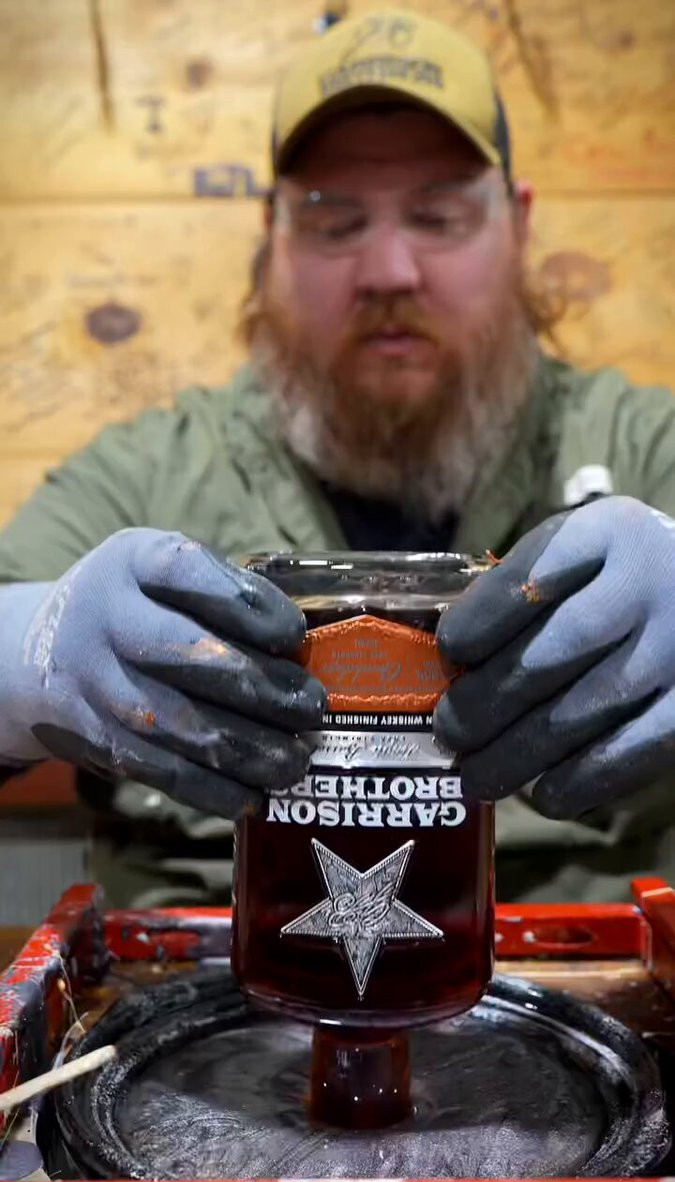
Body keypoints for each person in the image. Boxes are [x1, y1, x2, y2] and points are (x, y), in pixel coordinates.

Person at [0, 7, 674, 907]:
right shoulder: (148, 475)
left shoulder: (641, 446)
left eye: (437, 215)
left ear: (517, 226)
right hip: (198, 980)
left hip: (590, 970)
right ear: (270, 236)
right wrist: (27, 655)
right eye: (332, 220)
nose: (389, 270)